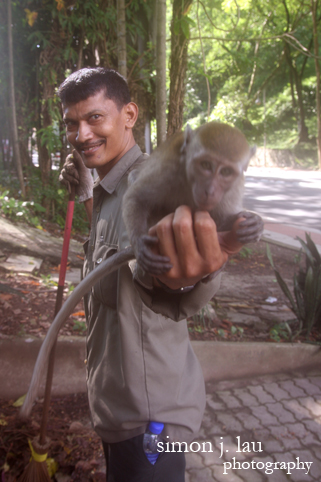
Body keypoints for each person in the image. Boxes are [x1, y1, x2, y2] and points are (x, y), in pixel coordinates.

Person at [58, 67, 243, 482]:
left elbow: (171, 276)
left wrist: (188, 274)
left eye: (94, 118)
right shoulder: (109, 188)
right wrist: (87, 192)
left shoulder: (152, 183)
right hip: (115, 407)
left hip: (149, 423)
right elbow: (114, 259)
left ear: (129, 115)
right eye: (72, 123)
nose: (81, 134)